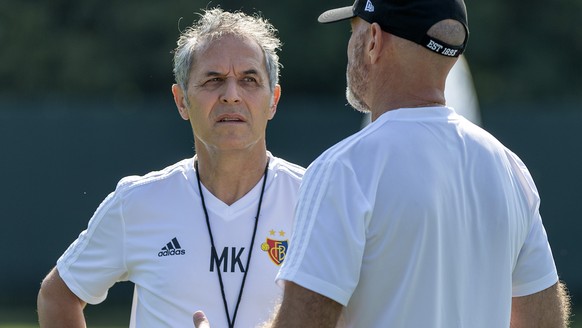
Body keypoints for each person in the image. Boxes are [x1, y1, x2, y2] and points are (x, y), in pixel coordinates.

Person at [194, 0, 572, 327]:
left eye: (354, 31)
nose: (350, 45)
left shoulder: (345, 169)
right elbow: (544, 321)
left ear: (373, 41)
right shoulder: (509, 169)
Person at [37, 8, 305, 328]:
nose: (231, 95)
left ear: (273, 99)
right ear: (181, 101)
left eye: (249, 80)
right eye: (213, 80)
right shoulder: (138, 202)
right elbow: (57, 296)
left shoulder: (313, 200)